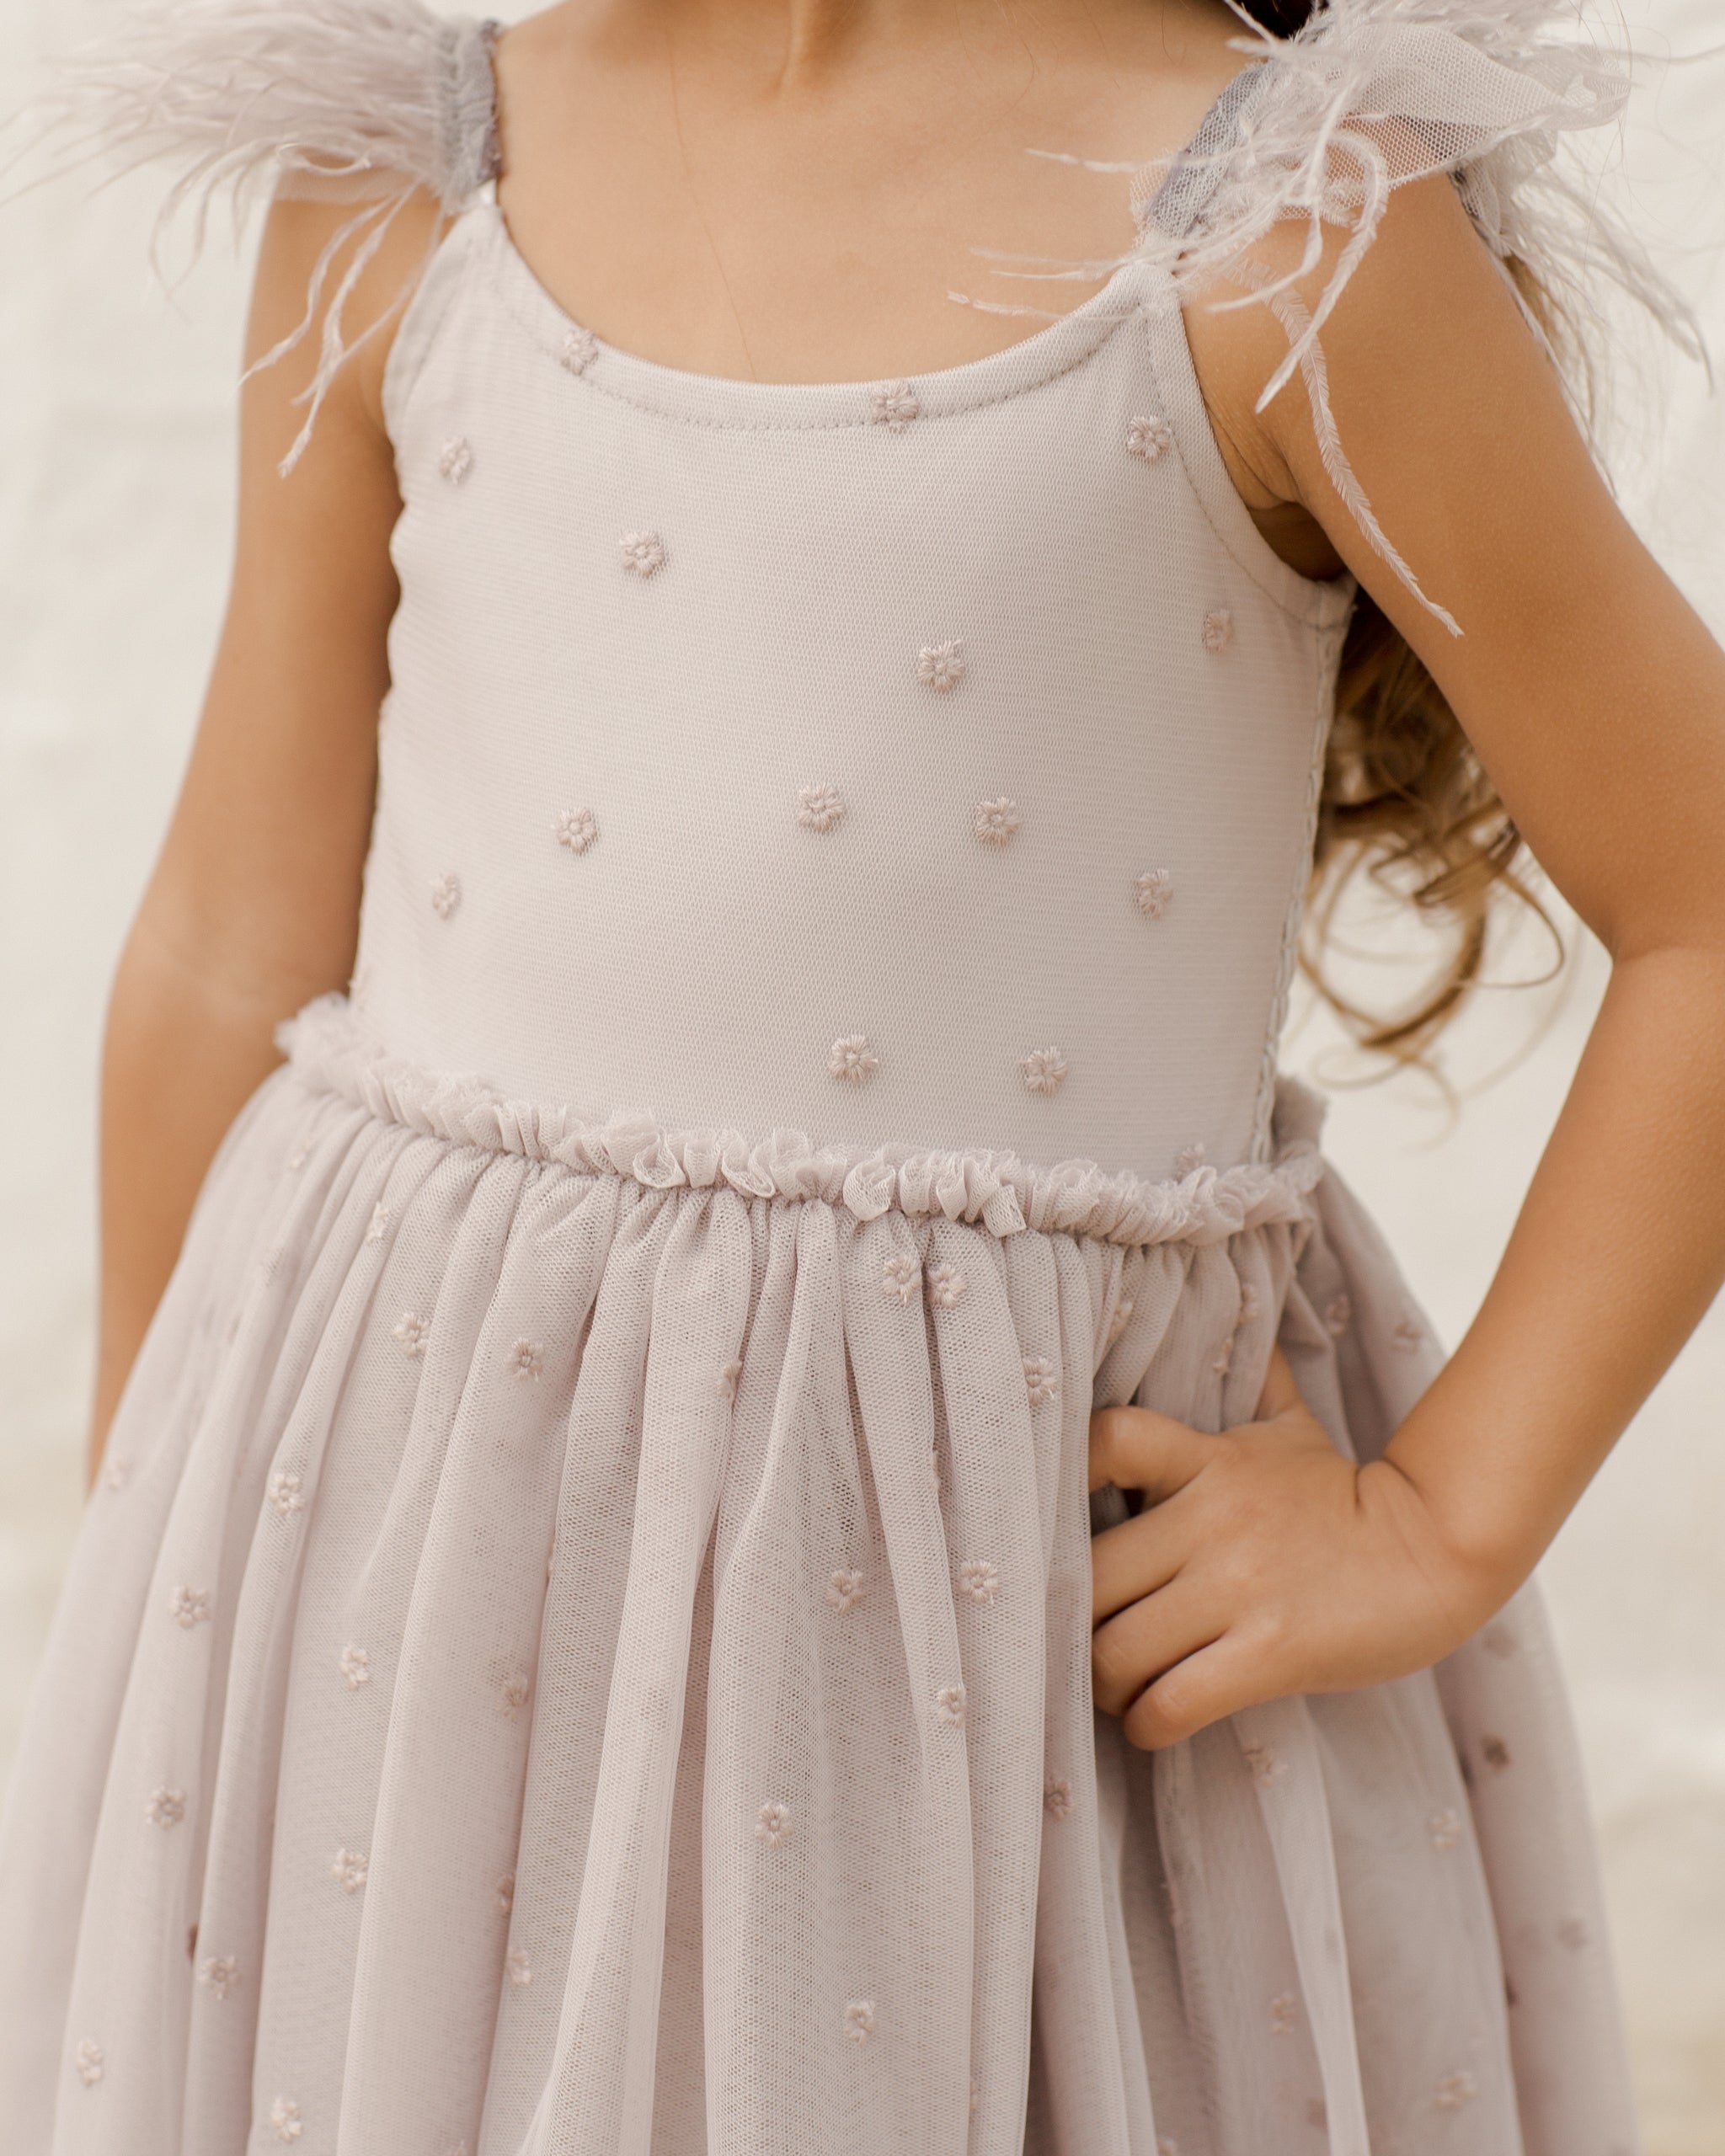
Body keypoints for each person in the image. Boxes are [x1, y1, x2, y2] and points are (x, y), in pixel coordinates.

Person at [3, 0, 1722, 2148]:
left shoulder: (1278, 237)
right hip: (416, 1599)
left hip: (992, 1649)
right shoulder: (403, 185)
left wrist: (1437, 1512)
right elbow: (220, 949)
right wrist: (154, 1600)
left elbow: (1706, 905)